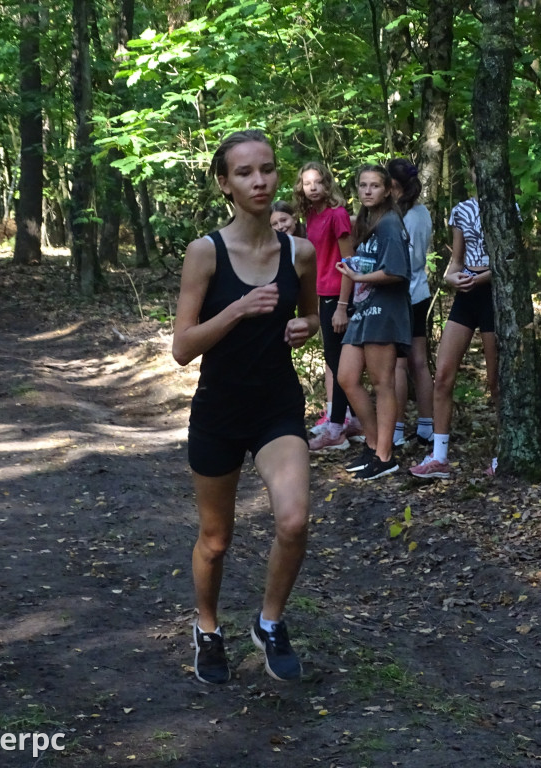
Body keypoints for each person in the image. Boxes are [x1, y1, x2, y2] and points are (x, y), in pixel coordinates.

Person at [172, 130, 319, 684]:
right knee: (216, 541)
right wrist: (237, 310)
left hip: (276, 405)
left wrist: (306, 328)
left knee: (295, 519)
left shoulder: (298, 252)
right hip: (219, 410)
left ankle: (270, 622)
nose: (259, 181)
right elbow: (182, 347)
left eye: (268, 169)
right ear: (225, 184)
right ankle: (207, 629)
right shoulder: (205, 252)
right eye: (244, 173)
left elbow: (310, 320)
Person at [410, 173, 498, 480]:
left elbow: (512, 259)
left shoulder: (507, 207)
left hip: (495, 296)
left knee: (495, 379)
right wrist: (451, 278)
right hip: (466, 294)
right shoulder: (461, 209)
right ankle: (439, 456)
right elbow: (457, 260)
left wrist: (482, 277)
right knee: (444, 374)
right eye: (475, 171)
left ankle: (503, 454)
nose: (480, 176)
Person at [335, 164, 412, 480]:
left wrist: (359, 277)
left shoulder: (391, 223)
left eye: (374, 186)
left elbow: (397, 271)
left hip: (384, 312)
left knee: (382, 383)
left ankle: (385, 455)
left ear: (387, 190)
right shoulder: (366, 221)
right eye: (362, 185)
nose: (367, 191)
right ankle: (372, 444)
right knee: (347, 378)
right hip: (363, 310)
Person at [292, 162, 361, 451]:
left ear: (327, 183)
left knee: (337, 362)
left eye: (318, 182)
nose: (312, 187)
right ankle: (354, 421)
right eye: (307, 183)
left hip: (339, 296)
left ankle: (336, 429)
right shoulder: (310, 215)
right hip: (322, 294)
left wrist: (343, 306)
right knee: (334, 360)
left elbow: (349, 263)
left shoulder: (338, 215)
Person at [386, 158, 434, 448]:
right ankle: (425, 425)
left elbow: (411, 259)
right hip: (417, 292)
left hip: (405, 294)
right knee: (417, 362)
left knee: (401, 364)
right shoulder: (418, 213)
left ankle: (398, 427)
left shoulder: (411, 216)